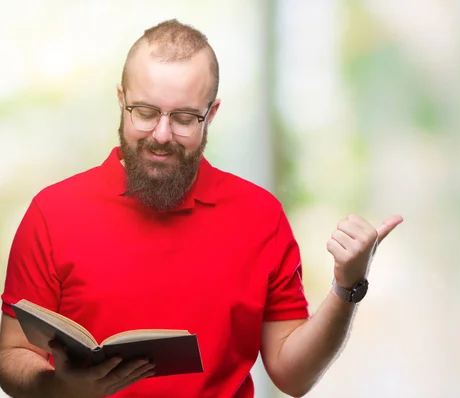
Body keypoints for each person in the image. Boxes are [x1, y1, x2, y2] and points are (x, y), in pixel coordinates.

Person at [0, 19, 402, 398]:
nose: (161, 134)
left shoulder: (260, 217)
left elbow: (292, 376)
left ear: (212, 114)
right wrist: (62, 389)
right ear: (121, 100)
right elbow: (11, 354)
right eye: (144, 112)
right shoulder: (53, 212)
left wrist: (347, 287)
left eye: (184, 118)